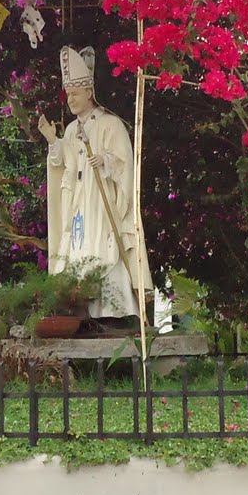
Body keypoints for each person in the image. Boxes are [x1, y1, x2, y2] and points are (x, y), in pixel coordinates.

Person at [36, 45, 152, 321]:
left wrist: (106, 161)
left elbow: (125, 162)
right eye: (69, 95)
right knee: (78, 253)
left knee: (105, 250)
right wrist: (54, 141)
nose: (71, 100)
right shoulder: (73, 129)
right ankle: (81, 313)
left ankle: (115, 312)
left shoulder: (110, 124)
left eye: (76, 94)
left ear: (89, 92)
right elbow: (66, 163)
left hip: (101, 202)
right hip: (79, 204)